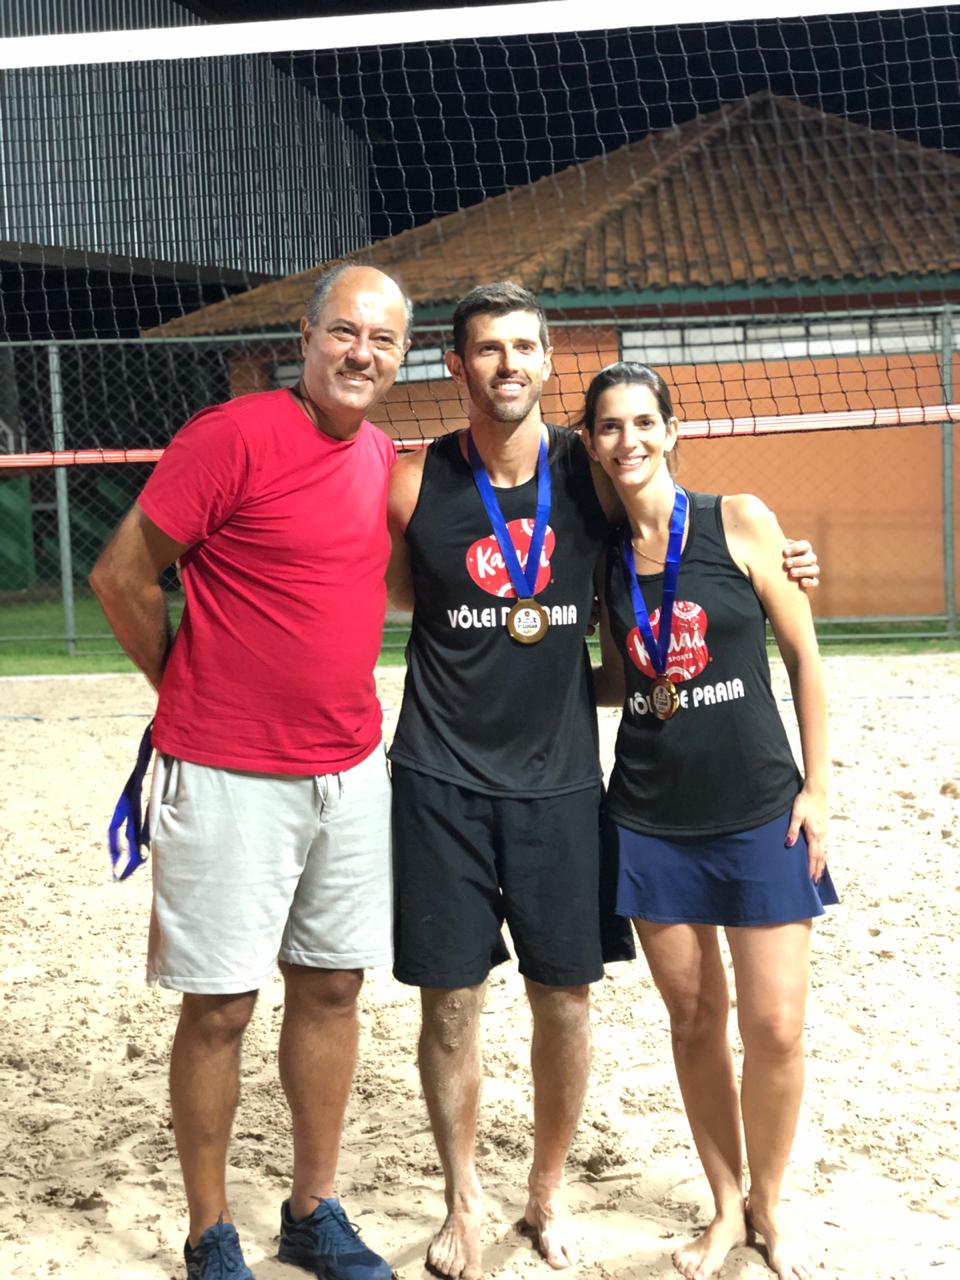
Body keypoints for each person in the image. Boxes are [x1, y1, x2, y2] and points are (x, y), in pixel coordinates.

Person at [385, 283, 822, 1280]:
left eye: (525, 348)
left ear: (547, 364)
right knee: (451, 1005)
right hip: (442, 777)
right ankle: (463, 1202)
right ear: (456, 365)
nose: (507, 364)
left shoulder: (590, 481)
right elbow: (388, 592)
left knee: (569, 1003)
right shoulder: (415, 486)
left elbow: (690, 543)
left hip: (567, 786)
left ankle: (545, 1194)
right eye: (486, 348)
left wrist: (789, 559)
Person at [89, 264, 411, 1280]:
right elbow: (120, 572)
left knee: (331, 988)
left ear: (402, 357)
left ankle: (313, 1209)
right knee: (221, 1004)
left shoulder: (376, 455)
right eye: (345, 332)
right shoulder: (231, 435)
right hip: (227, 768)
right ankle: (208, 1229)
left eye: (385, 340)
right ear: (306, 336)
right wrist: (182, 684)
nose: (362, 353)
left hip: (351, 765)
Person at [583, 360, 838, 1280]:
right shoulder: (603, 558)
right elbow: (624, 682)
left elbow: (806, 659)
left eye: (643, 421)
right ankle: (726, 1206)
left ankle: (771, 1200)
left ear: (674, 428)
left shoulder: (741, 519)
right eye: (609, 427)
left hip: (762, 808)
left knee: (775, 1027)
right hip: (650, 816)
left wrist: (818, 791)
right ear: (592, 443)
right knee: (697, 1023)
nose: (629, 441)